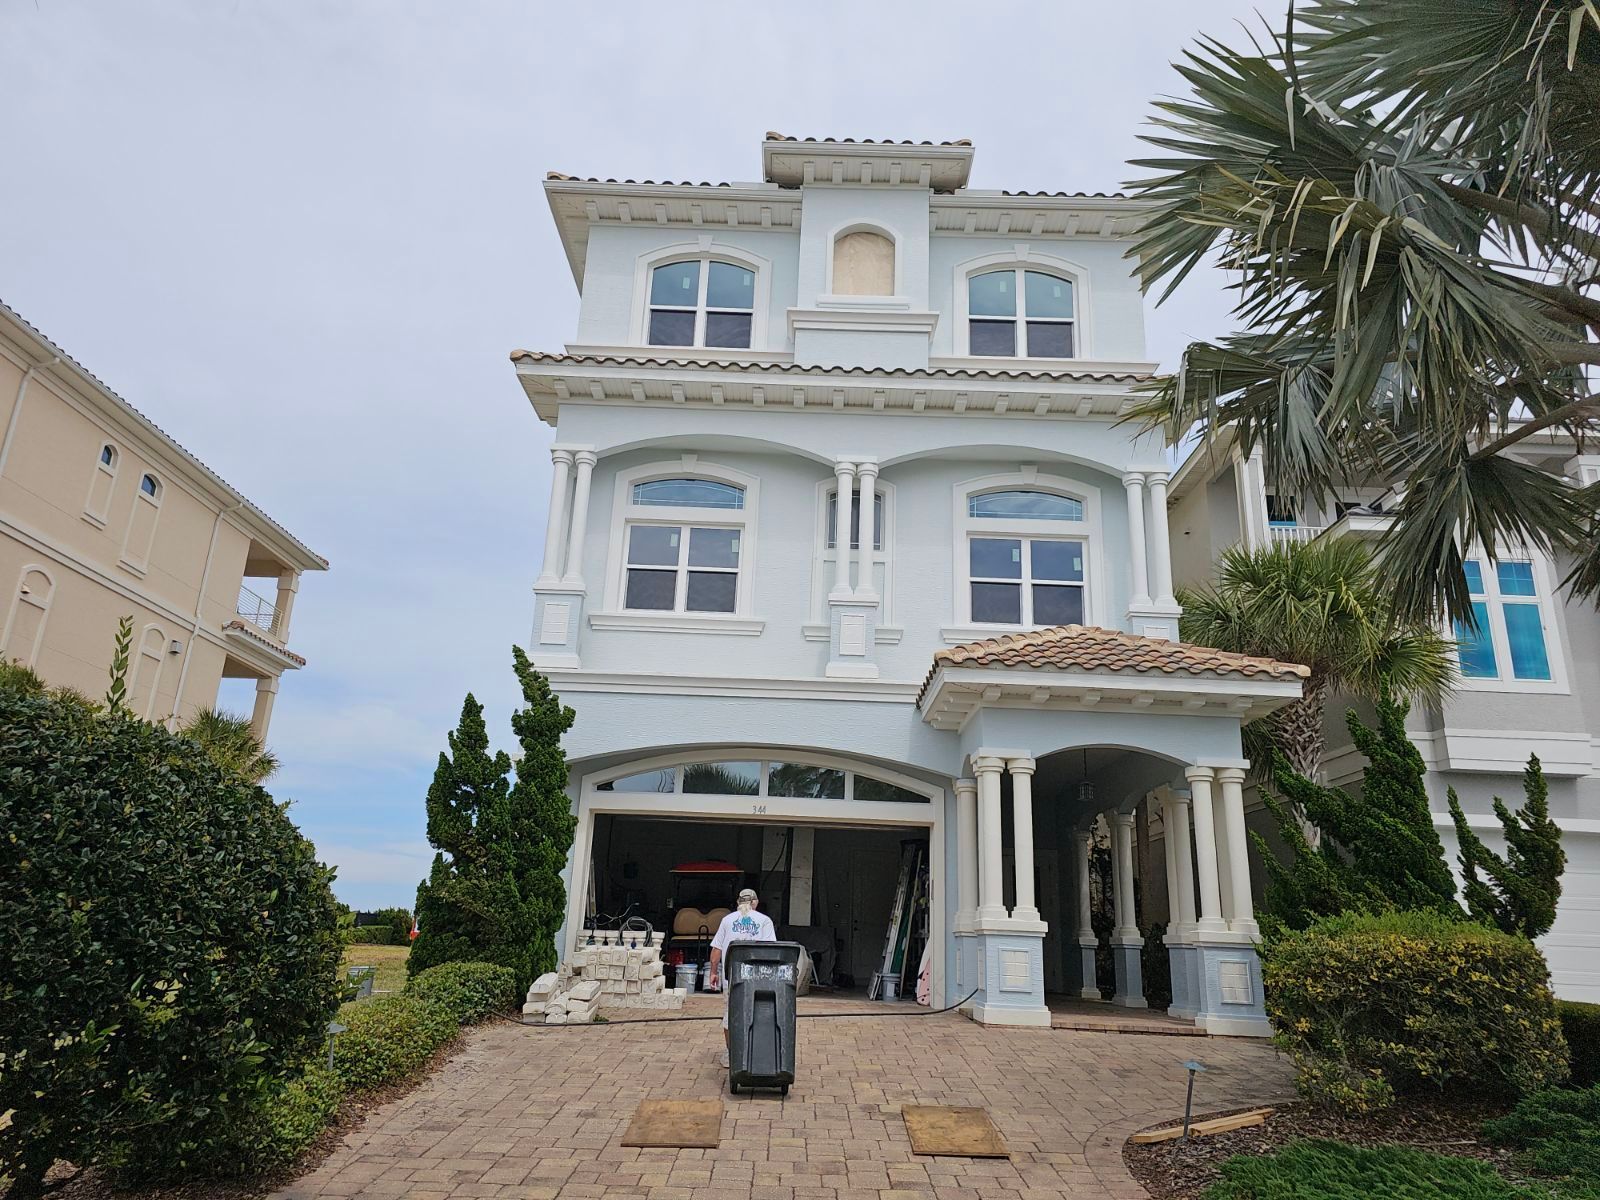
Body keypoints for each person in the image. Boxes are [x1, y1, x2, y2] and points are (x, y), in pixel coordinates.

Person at [707, 887, 776, 1068]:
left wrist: (713, 972)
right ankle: (754, 1050)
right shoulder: (764, 921)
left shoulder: (727, 920)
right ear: (755, 903)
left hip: (732, 977)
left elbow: (717, 949)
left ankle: (731, 1053)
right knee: (759, 1012)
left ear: (739, 903)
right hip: (758, 977)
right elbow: (771, 951)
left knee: (730, 1014)